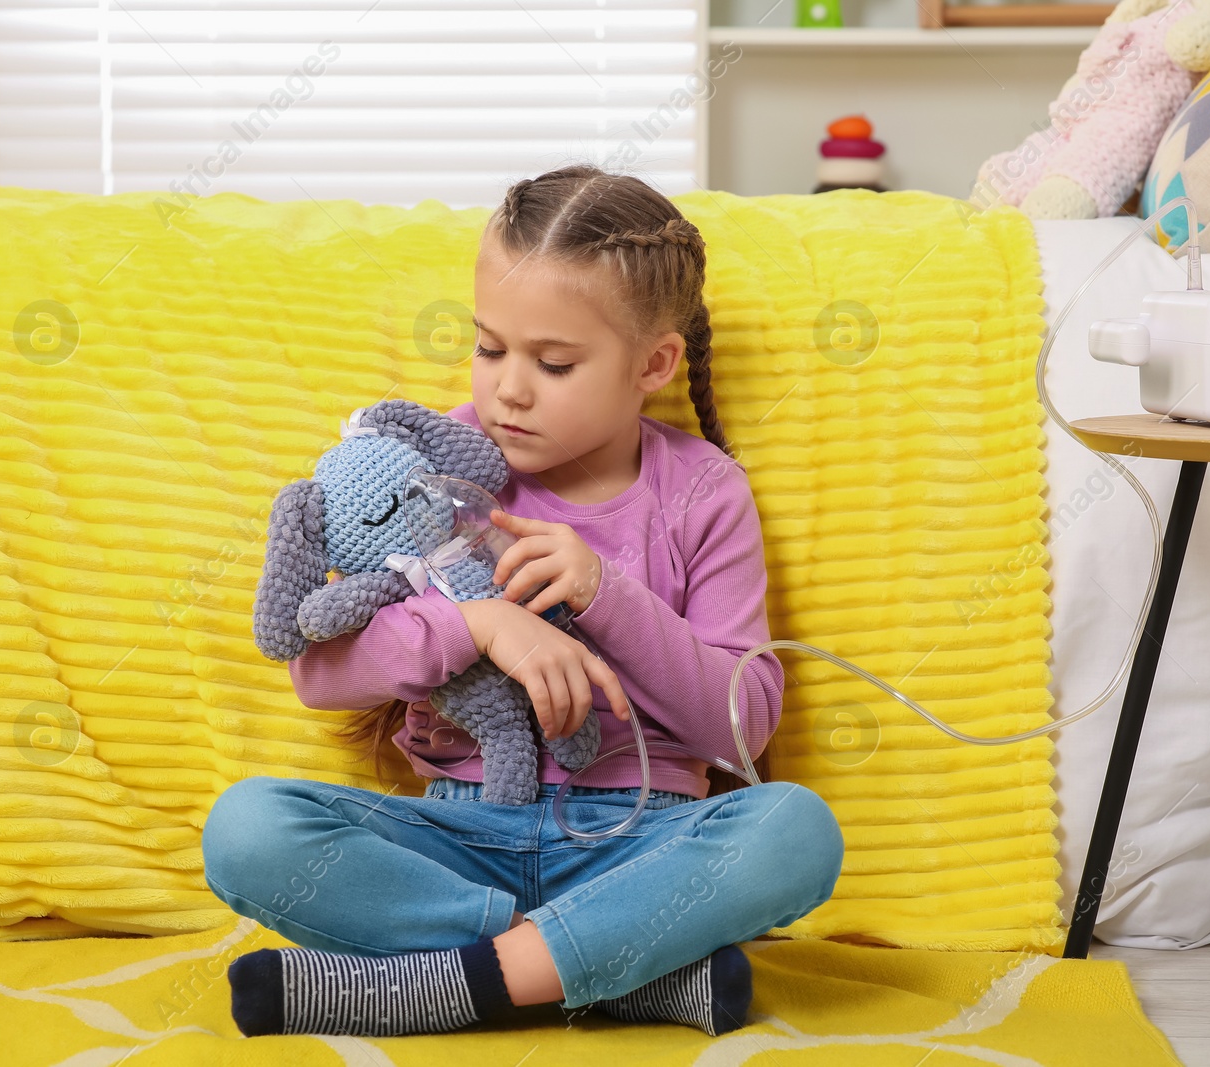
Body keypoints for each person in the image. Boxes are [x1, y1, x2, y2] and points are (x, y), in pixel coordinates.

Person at [201, 164, 846, 1040]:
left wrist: (606, 593)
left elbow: (743, 731)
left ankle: (442, 987)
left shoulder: (703, 493)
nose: (507, 388)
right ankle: (612, 974)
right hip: (458, 839)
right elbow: (319, 673)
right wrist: (476, 623)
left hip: (636, 844)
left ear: (653, 363)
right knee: (248, 827)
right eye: (488, 347)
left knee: (794, 829)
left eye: (552, 363)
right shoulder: (433, 460)